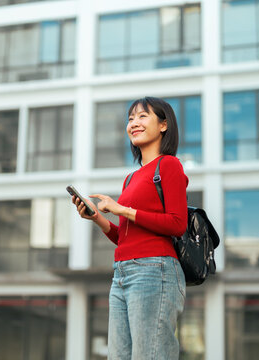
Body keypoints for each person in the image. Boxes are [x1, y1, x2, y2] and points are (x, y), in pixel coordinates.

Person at [71, 96, 188, 359]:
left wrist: (122, 209)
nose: (134, 123)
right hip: (122, 272)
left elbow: (177, 224)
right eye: (130, 118)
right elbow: (126, 237)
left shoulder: (169, 165)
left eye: (142, 116)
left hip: (154, 270)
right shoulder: (131, 178)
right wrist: (97, 218)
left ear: (163, 125)